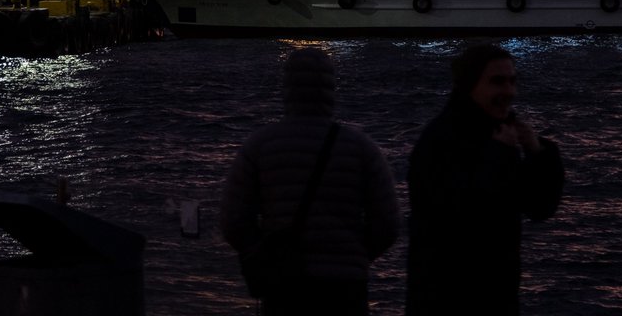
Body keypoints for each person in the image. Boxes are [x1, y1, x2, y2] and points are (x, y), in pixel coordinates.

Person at [220, 48, 400, 315]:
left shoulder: (259, 146)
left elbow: (233, 222)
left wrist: (263, 250)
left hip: (285, 284)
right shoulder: (362, 148)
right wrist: (356, 256)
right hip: (346, 287)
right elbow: (388, 224)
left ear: (287, 88)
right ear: (330, 87)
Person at [406, 44, 564, 316]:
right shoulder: (443, 140)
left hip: (495, 294)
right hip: (447, 297)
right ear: (470, 85)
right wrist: (502, 156)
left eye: (513, 81)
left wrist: (538, 154)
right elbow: (460, 213)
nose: (510, 92)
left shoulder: (499, 135)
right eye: (498, 82)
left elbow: (540, 207)